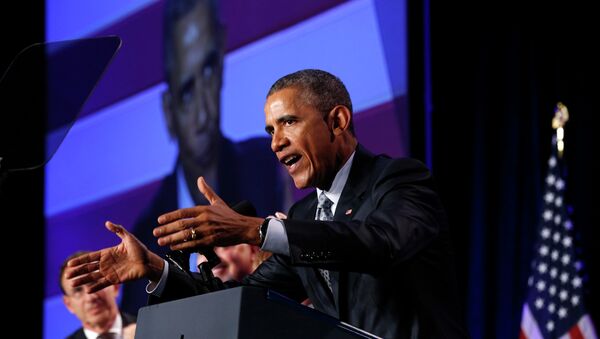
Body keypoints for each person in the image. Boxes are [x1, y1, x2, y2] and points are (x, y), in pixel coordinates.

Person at [66, 69, 469, 338]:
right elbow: (241, 301)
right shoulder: (304, 215)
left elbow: (377, 244)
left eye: (289, 123)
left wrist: (253, 230)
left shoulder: (399, 180)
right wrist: (156, 269)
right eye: (269, 130)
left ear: (338, 120)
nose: (275, 142)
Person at [122, 0, 290, 313]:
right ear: (168, 111)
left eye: (209, 69)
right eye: (187, 91)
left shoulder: (269, 169)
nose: (204, 111)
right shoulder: (145, 235)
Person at [60, 251, 136, 339]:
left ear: (115, 286)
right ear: (68, 305)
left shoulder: (148, 329)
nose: (90, 297)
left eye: (94, 283)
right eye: (78, 291)